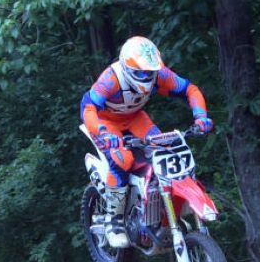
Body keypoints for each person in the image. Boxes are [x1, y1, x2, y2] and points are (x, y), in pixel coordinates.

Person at [80, 36, 213, 247]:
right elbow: (89, 109)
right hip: (104, 121)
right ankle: (113, 221)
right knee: (123, 159)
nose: (146, 77)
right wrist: (103, 132)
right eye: (140, 72)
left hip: (135, 117)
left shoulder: (159, 74)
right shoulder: (111, 79)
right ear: (127, 67)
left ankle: (164, 206)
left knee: (165, 150)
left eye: (149, 72)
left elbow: (190, 89)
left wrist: (201, 117)